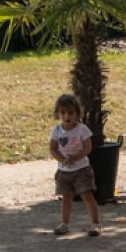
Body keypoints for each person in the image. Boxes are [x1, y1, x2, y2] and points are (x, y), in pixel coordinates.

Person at [49, 94, 101, 237]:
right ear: (58, 114)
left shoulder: (82, 129)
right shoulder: (56, 131)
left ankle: (95, 224)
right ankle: (65, 224)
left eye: (71, 112)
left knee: (87, 195)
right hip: (64, 171)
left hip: (82, 169)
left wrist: (75, 157)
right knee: (66, 197)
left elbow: (87, 148)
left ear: (77, 113)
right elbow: (53, 149)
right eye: (63, 113)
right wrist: (62, 159)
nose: (67, 116)